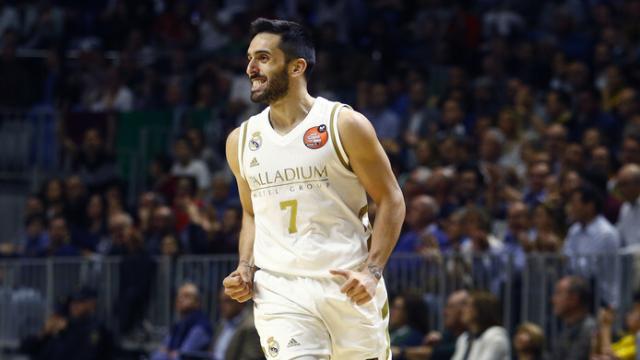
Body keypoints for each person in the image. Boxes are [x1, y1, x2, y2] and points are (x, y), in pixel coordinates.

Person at [222, 18, 405, 359]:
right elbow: (251, 212)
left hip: (347, 283)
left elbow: (391, 198)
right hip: (281, 289)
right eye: (249, 58)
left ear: (296, 67)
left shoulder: (344, 124)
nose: (250, 68)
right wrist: (245, 267)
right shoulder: (241, 140)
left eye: (263, 58)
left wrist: (372, 272)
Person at [151, 283, 213, 360]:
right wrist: (169, 353)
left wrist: (168, 353)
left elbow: (182, 356)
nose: (180, 299)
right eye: (179, 296)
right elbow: (159, 354)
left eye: (186, 296)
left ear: (197, 302)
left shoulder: (201, 326)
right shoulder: (178, 325)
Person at [451, 290, 510, 360]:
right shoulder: (464, 338)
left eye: (468, 305)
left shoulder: (495, 336)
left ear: (480, 310)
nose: (463, 310)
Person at [549, 276, 596, 360]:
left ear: (574, 298)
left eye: (558, 293)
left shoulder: (591, 332)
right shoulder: (568, 329)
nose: (553, 300)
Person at [212, 290, 262, 360]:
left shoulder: (251, 326)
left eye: (227, 301)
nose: (222, 306)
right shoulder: (223, 323)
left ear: (240, 301)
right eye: (220, 301)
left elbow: (250, 357)